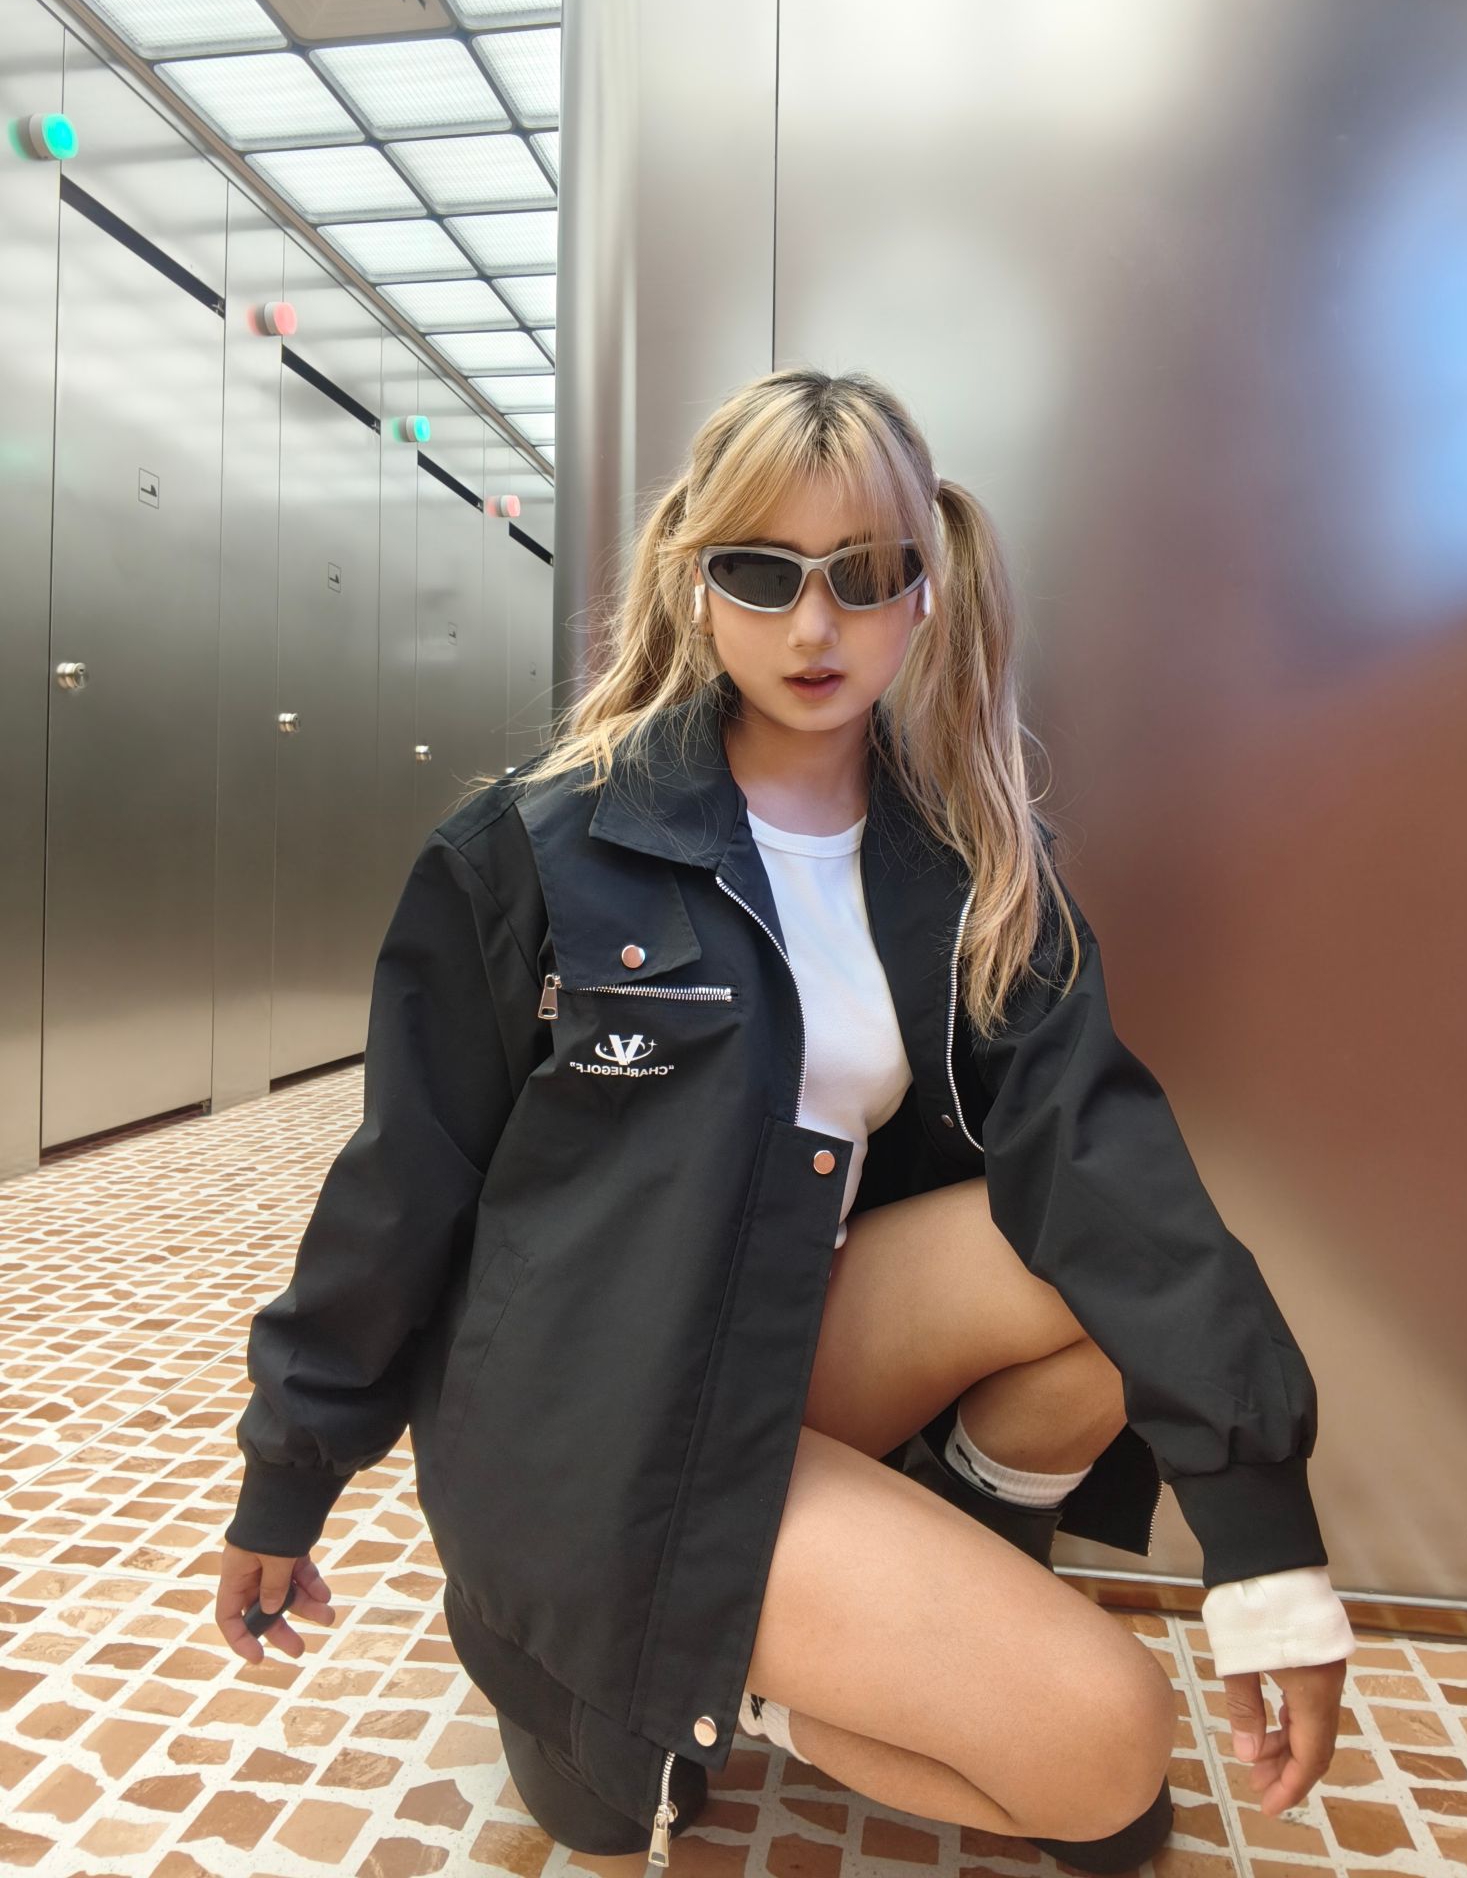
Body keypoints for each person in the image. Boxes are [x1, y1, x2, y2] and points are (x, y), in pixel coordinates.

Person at [214, 368, 1354, 1871]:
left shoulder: (971, 869)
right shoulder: (539, 850)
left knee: (1081, 1273)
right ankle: (695, 1671)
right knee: (1111, 1755)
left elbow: (1106, 1166)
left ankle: (922, 1562)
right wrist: (288, 1475)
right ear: (698, 584)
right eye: (763, 573)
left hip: (776, 1338)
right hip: (593, 1423)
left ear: (924, 591)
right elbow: (402, 1186)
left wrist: (1267, 1548)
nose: (815, 627)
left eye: (863, 574)